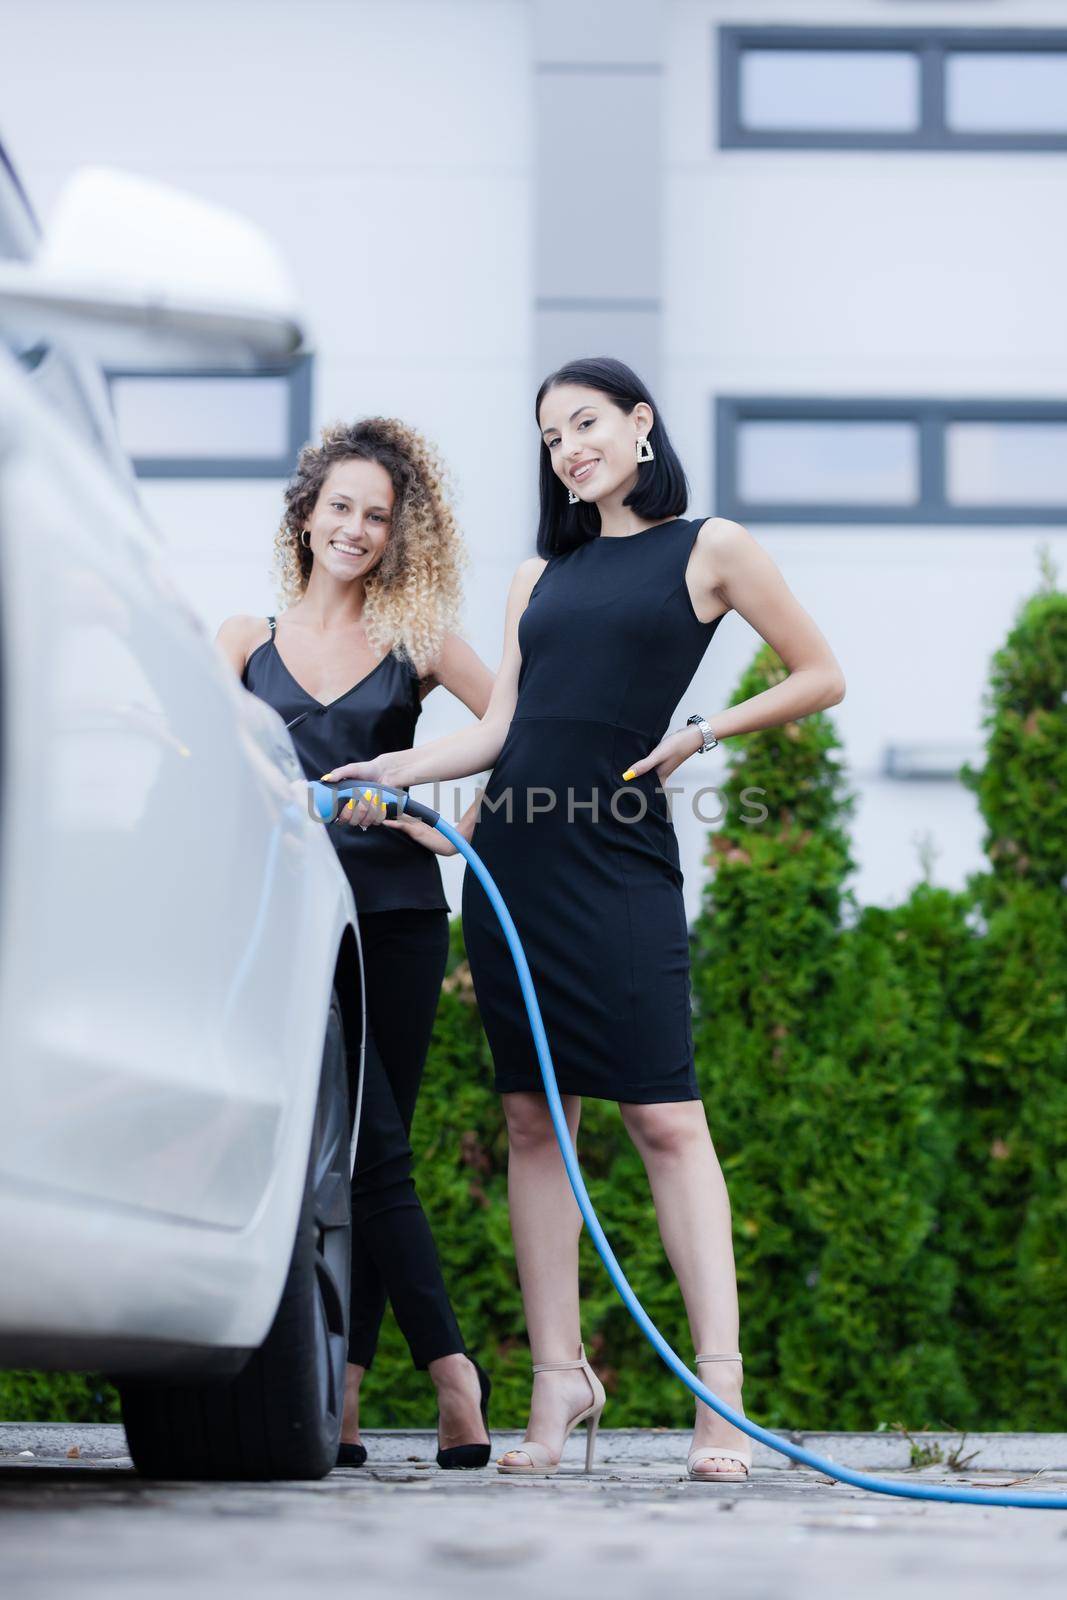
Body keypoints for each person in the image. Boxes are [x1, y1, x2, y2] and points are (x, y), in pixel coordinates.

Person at [323, 358, 847, 1480]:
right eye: (551, 432)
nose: (567, 445)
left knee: (665, 1122)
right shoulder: (537, 576)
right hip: (513, 862)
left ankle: (719, 1392)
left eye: (586, 421)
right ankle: (557, 1383)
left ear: (638, 424)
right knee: (531, 1120)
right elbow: (499, 732)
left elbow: (819, 672)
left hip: (618, 867)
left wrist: (703, 733)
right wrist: (400, 767)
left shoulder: (709, 547)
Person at [216, 416, 496, 1470]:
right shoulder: (242, 640)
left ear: (395, 533)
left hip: (393, 914)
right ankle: (450, 1372)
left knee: (377, 1152)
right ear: (306, 512)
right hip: (284, 921)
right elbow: (214, 765)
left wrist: (433, 807)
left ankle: (342, 1396)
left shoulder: (410, 637)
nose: (355, 527)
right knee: (362, 1154)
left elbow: (515, 721)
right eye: (340, 506)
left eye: (376, 515)